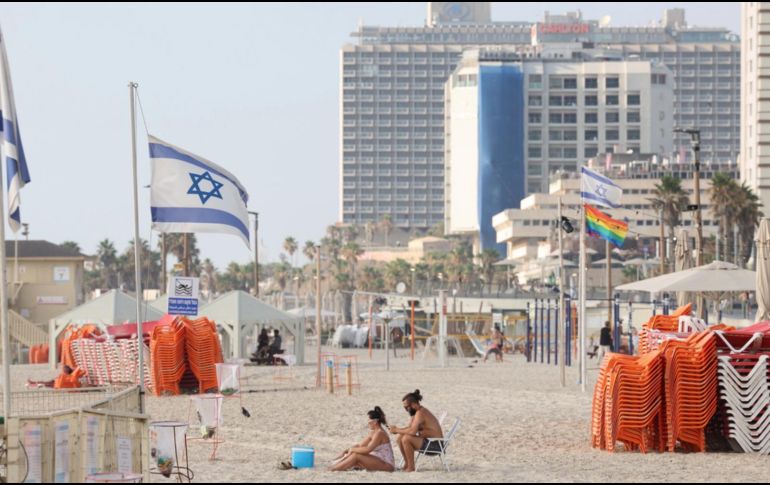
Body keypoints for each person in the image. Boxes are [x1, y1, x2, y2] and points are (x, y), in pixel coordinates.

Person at [389, 389, 443, 472]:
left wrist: (396, 430)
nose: (406, 409)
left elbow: (412, 432)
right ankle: (407, 464)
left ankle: (411, 467)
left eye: (407, 407)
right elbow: (409, 428)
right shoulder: (416, 413)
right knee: (400, 438)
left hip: (436, 445)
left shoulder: (421, 413)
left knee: (406, 438)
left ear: (413, 404)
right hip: (429, 441)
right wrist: (397, 430)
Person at [330, 406, 395, 472]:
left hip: (387, 465)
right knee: (354, 454)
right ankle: (334, 467)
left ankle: (333, 469)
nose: (367, 423)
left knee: (356, 456)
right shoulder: (373, 432)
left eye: (369, 420)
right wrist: (347, 450)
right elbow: (360, 445)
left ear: (375, 422)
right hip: (378, 460)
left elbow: (368, 449)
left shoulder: (380, 433)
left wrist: (353, 450)